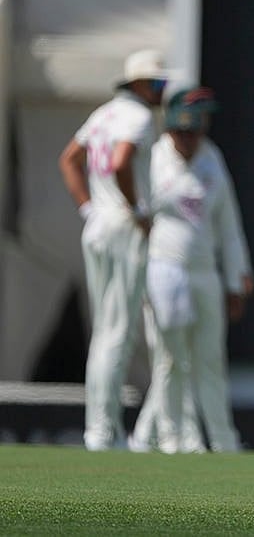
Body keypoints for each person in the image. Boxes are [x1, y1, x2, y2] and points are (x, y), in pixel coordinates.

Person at [58, 49, 170, 451]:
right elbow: (122, 161)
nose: (162, 91)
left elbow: (69, 158)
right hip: (123, 227)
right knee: (117, 331)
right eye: (157, 84)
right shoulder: (138, 117)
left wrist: (88, 207)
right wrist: (137, 209)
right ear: (139, 84)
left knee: (107, 328)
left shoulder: (104, 113)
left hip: (99, 226)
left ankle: (100, 428)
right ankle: (102, 432)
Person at [137, 87, 254, 453]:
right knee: (171, 359)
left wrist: (236, 278)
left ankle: (221, 439)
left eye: (195, 132)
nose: (189, 140)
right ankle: (173, 438)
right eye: (182, 133)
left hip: (205, 272)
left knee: (210, 359)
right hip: (165, 269)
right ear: (170, 130)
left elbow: (228, 223)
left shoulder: (212, 158)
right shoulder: (153, 160)